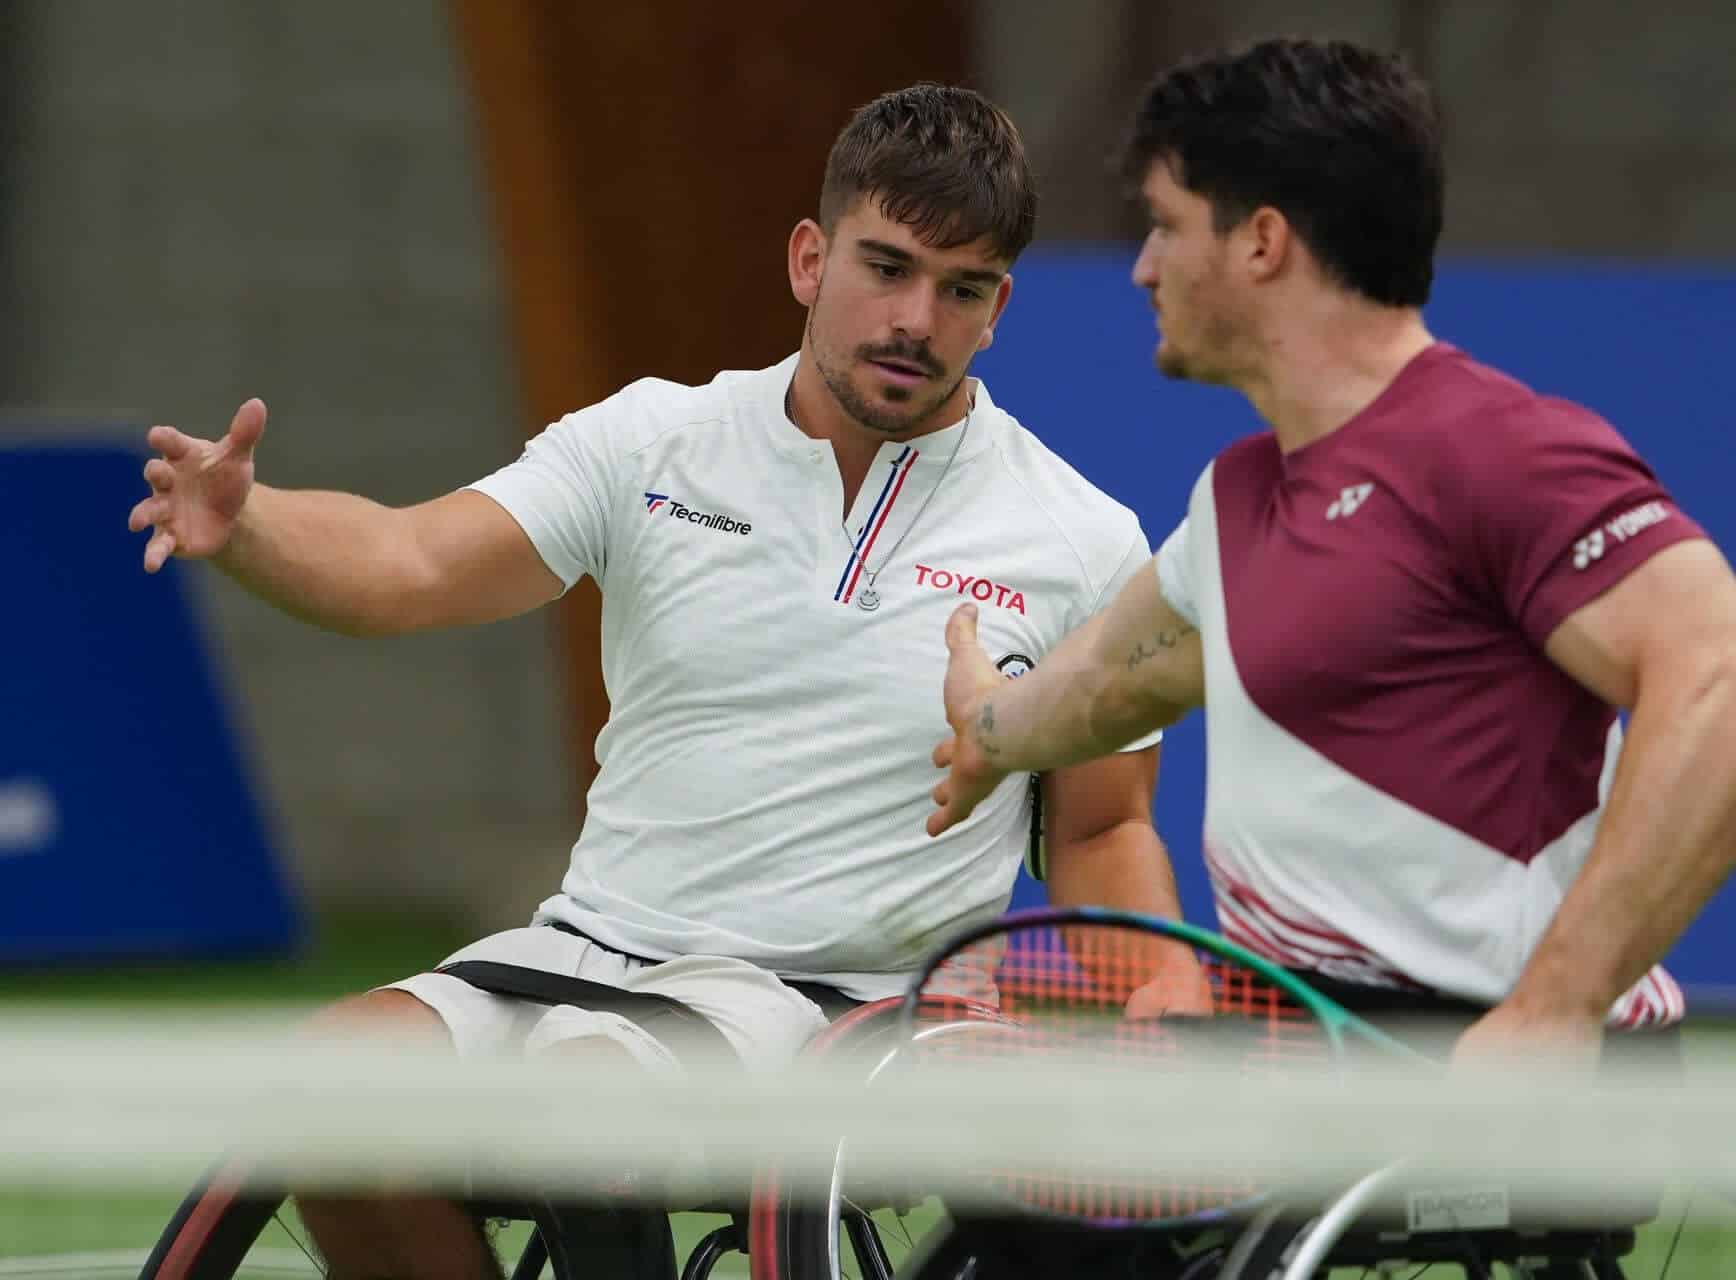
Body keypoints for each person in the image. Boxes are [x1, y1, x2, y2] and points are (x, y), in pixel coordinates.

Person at [129, 84, 1205, 1278]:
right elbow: (407, 562)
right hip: (583, 953)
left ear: (997, 308)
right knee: (327, 1093)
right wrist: (251, 520)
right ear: (809, 257)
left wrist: (1155, 982)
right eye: (884, 267)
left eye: (958, 288)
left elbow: (1104, 824)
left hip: (852, 1005)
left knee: (588, 1102)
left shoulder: (1081, 538)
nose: (913, 318)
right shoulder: (649, 440)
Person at [928, 39, 1736, 1065]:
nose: (1141, 265)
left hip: (1467, 1064)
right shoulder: (1234, 500)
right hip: (1295, 1047)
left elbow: (1715, 675)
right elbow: (1101, 679)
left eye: (1167, 227)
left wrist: (1556, 1006)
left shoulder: (1492, 450)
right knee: (982, 1128)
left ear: (1260, 242)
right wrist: (985, 723)